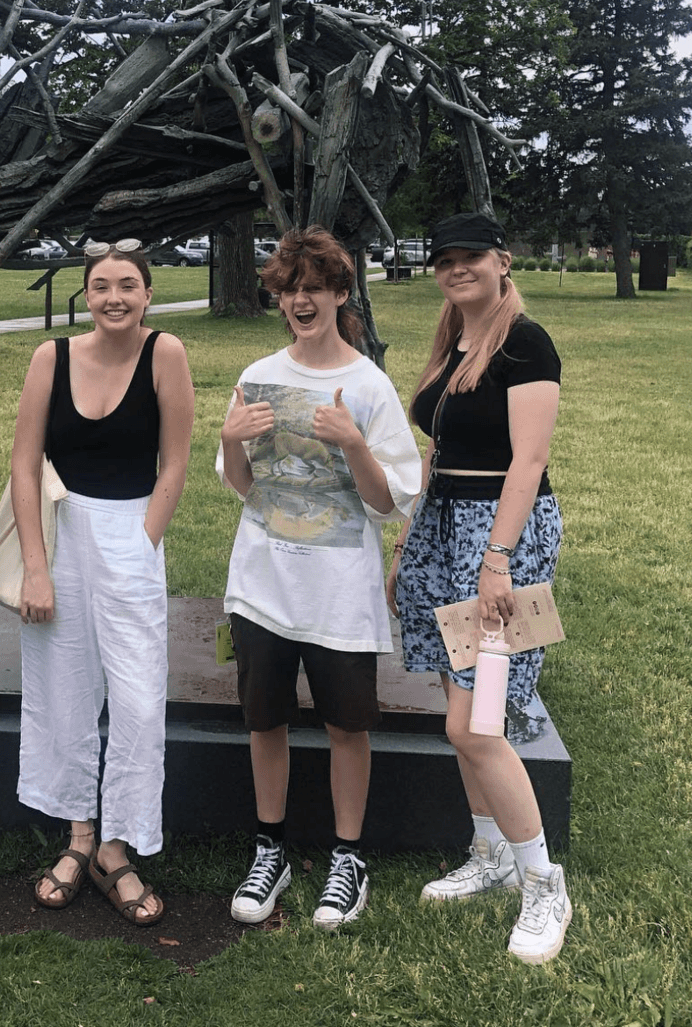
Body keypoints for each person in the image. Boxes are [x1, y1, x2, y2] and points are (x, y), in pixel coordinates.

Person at [218, 228, 421, 931]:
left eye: (315, 287)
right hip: (263, 588)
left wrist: (355, 443)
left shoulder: (368, 385)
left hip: (339, 592)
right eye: (289, 288)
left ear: (340, 293)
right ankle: (268, 848)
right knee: (263, 722)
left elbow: (390, 501)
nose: (301, 300)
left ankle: (348, 856)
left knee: (346, 727)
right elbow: (244, 488)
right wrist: (227, 439)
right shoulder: (258, 373)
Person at [387, 211, 571, 965]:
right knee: (458, 709)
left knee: (479, 723)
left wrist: (497, 560)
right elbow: (441, 443)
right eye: (444, 258)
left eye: (471, 257)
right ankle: (489, 853)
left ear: (503, 260)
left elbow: (528, 461)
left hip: (502, 537)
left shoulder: (526, 342)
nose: (457, 267)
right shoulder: (453, 340)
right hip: (444, 527)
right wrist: (410, 536)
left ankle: (543, 883)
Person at [11, 239, 194, 926]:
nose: (114, 297)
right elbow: (24, 463)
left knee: (139, 699)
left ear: (147, 294)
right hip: (61, 536)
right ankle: (79, 837)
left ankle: (118, 844)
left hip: (132, 535)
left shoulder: (165, 354)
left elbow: (174, 463)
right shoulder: (50, 358)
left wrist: (143, 543)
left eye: (127, 285)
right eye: (100, 286)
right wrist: (36, 564)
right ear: (86, 295)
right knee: (64, 688)